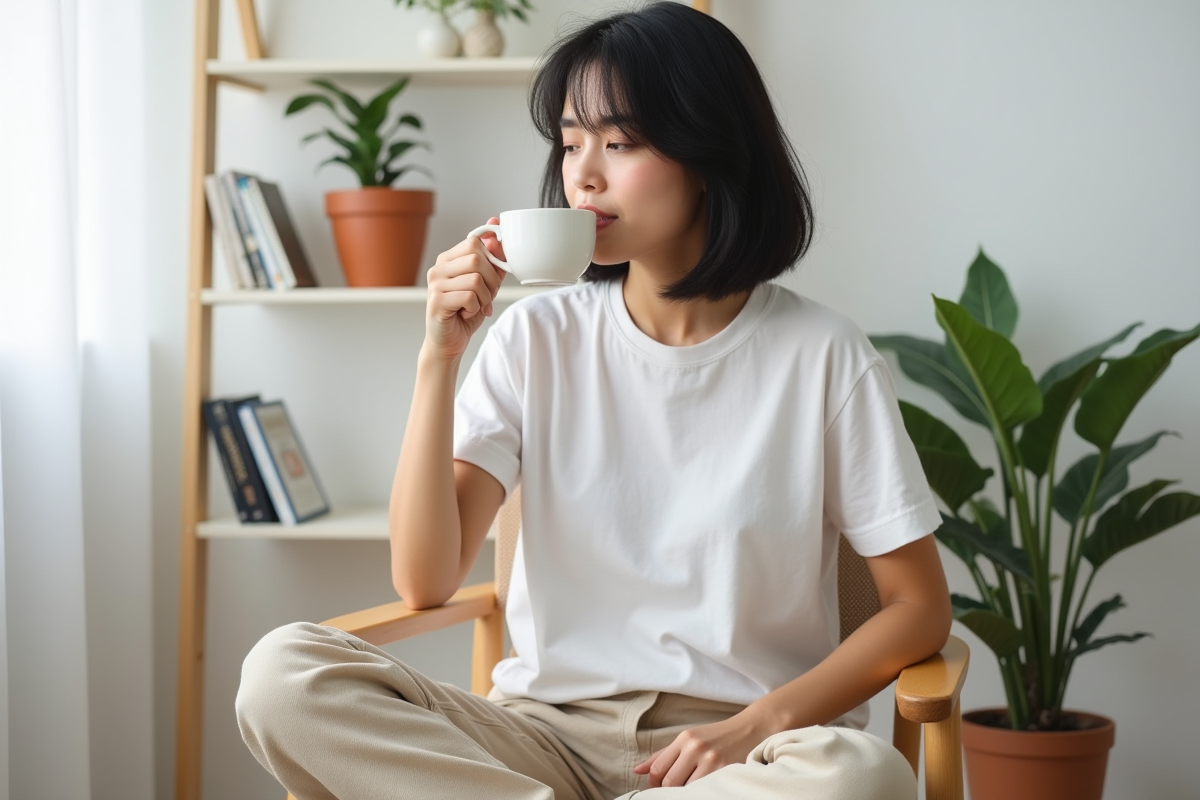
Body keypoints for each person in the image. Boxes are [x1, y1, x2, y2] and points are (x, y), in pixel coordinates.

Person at [236, 4, 952, 799]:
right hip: (541, 739)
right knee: (283, 674)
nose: (582, 172)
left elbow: (918, 606)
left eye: (620, 143)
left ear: (710, 152)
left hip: (733, 754)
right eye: (572, 142)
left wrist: (762, 723)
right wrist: (439, 357)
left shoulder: (823, 355)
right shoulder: (531, 339)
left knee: (860, 776)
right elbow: (425, 581)